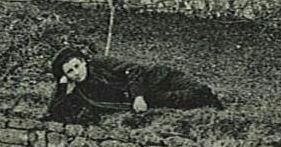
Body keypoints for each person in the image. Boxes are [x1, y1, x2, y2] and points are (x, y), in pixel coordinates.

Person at [46, 46, 224, 123]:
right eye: (70, 71)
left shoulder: (100, 63)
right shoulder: (80, 91)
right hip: (149, 98)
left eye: (77, 66)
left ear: (83, 61)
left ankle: (218, 107)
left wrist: (137, 96)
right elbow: (55, 112)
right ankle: (212, 104)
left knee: (197, 91)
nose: (76, 73)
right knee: (189, 98)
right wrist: (62, 87)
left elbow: (133, 69)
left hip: (156, 78)